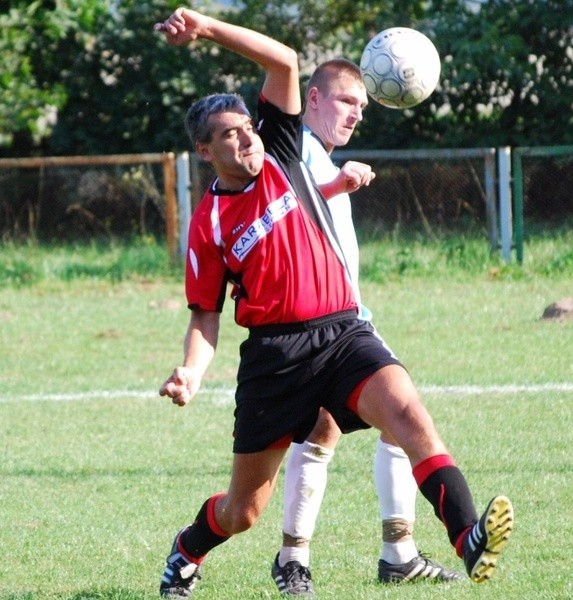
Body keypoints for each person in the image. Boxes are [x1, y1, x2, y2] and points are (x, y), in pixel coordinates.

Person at [154, 7, 514, 599]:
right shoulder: (207, 225)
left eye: (247, 126)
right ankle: (188, 548)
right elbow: (204, 315)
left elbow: (283, 61)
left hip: (344, 332)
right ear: (203, 150)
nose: (244, 137)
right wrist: (191, 373)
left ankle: (466, 535)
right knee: (243, 511)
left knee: (410, 419)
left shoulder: (284, 155)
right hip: (277, 359)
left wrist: (208, 28)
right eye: (228, 133)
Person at [271, 58, 462, 597]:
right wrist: (338, 183)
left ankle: (394, 553)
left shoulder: (321, 154)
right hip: (311, 327)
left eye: (361, 104)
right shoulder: (294, 148)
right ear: (310, 100)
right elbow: (291, 203)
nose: (355, 113)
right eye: (344, 101)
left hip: (351, 320)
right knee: (322, 433)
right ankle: (293, 561)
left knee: (389, 420)